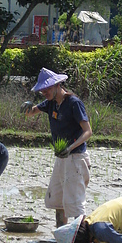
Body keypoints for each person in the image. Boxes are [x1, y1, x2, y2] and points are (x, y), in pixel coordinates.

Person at [21, 67, 92, 227]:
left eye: (47, 89)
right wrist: (26, 109)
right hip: (61, 158)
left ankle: (79, 238)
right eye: (42, 91)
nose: (45, 92)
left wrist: (70, 147)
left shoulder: (74, 103)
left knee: (75, 202)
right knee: (59, 200)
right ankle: (61, 236)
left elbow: (88, 132)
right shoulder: (51, 103)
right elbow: (32, 112)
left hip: (75, 158)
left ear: (58, 85)